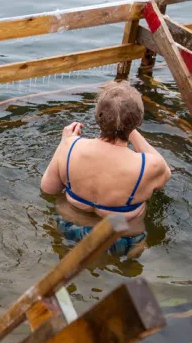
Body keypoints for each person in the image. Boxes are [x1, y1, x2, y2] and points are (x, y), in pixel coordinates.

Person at [40, 81, 171, 256]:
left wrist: (64, 142)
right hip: (120, 240)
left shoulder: (70, 147)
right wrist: (130, 130)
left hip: (69, 228)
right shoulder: (148, 166)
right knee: (136, 254)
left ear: (97, 117)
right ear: (138, 122)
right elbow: (165, 174)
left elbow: (48, 189)